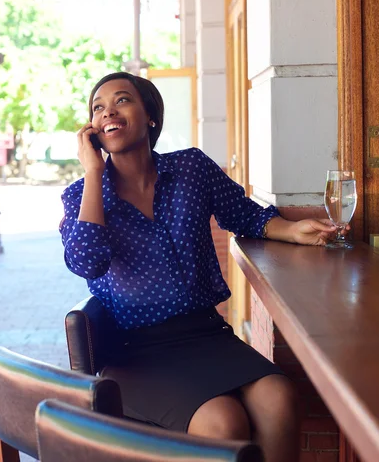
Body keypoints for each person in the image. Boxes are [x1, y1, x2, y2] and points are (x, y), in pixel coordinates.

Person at [59, 72, 342, 462]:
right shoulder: (80, 195)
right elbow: (86, 261)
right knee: (222, 421)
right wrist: (93, 172)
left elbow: (243, 214)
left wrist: (294, 230)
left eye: (122, 100)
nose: (108, 111)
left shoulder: (190, 168)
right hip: (135, 351)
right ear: (92, 129)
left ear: (151, 116)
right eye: (98, 107)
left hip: (206, 334)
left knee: (280, 397)